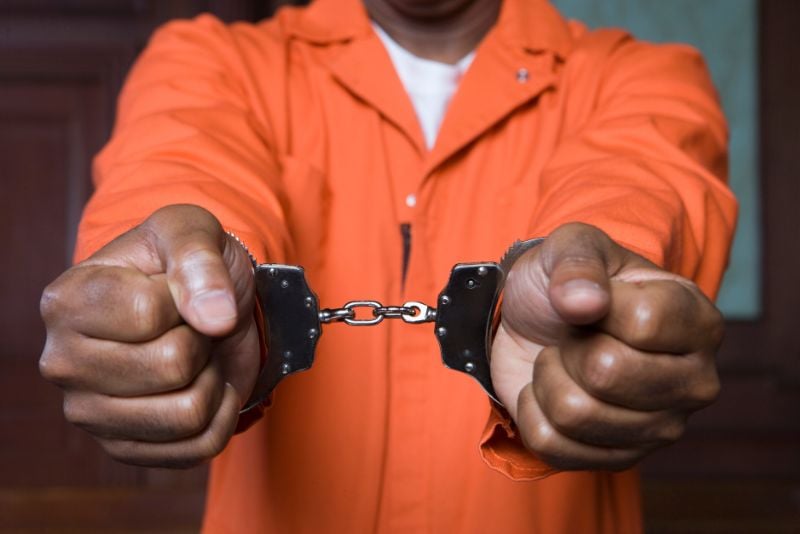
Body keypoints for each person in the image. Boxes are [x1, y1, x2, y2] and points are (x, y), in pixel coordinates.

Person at [38, 0, 737, 532]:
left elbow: (643, 177)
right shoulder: (212, 59)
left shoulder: (640, 74)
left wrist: (599, 272)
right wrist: (169, 279)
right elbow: (178, 160)